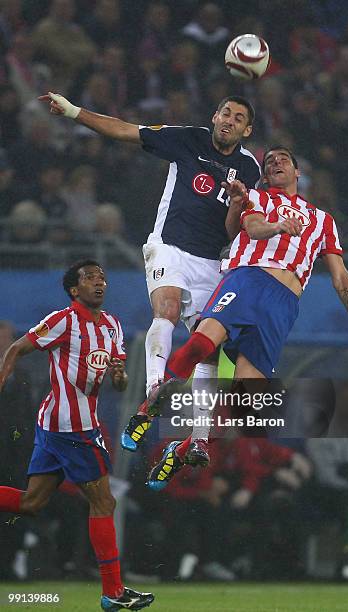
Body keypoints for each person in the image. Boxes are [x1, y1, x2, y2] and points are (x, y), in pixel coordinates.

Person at [143, 145, 348, 490]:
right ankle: (147, 406)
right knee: (200, 343)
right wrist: (279, 226)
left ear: (298, 173)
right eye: (270, 161)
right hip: (249, 278)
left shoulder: (323, 221)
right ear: (266, 174)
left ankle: (180, 450)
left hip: (284, 304)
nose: (277, 162)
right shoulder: (255, 197)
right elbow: (252, 227)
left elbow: (340, 275)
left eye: (284, 158)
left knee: (244, 407)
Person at [39, 90, 261, 457]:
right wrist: (73, 111)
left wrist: (238, 203)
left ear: (247, 129)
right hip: (169, 245)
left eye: (238, 118)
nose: (229, 121)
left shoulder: (250, 169)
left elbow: (235, 229)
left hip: (211, 261)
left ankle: (199, 437)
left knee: (207, 348)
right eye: (225, 113)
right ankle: (156, 391)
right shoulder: (189, 138)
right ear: (215, 114)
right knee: (168, 311)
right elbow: (124, 130)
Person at [0, 260, 154, 611]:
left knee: (31, 502)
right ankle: (113, 593)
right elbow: (15, 349)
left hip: (57, 424)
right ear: (74, 289)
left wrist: (120, 375)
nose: (99, 282)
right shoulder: (62, 320)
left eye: (102, 276)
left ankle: (113, 593)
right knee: (104, 502)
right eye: (90, 278)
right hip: (73, 427)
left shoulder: (113, 325)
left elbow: (119, 384)